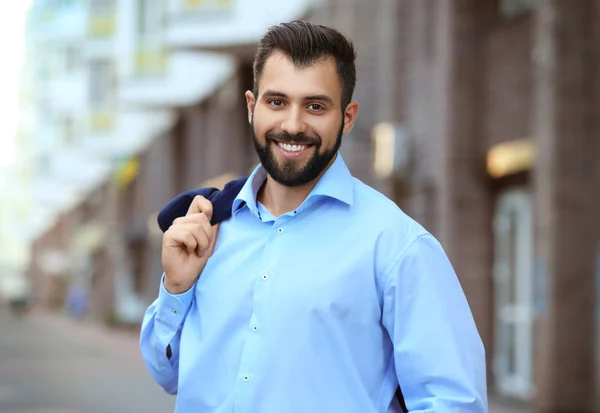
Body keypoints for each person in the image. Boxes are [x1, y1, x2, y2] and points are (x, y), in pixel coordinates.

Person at [140, 20, 488, 413]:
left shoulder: (397, 246)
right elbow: (169, 376)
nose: (293, 125)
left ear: (348, 116)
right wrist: (177, 288)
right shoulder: (210, 230)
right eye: (277, 102)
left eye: (316, 106)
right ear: (252, 107)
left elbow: (454, 402)